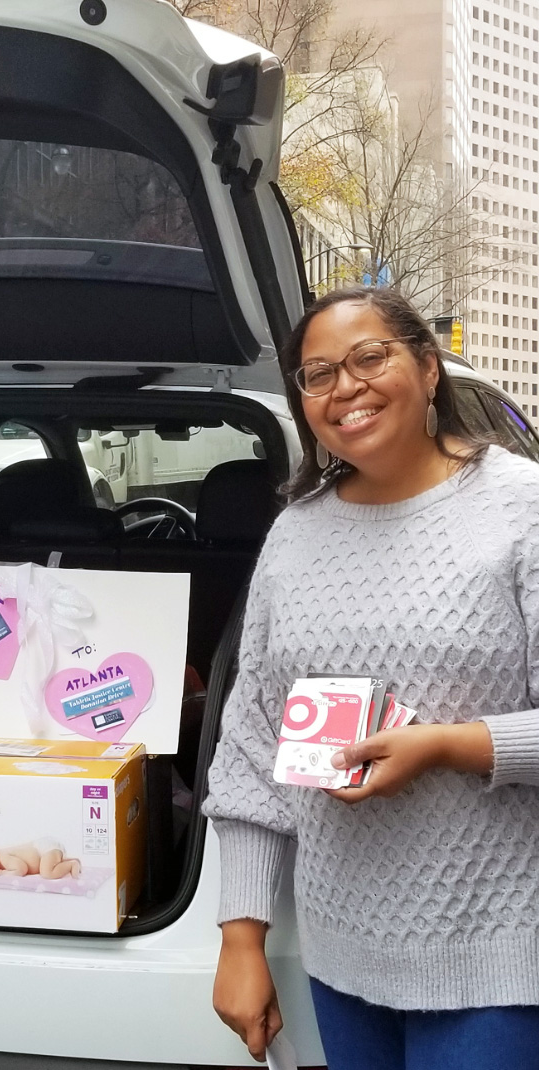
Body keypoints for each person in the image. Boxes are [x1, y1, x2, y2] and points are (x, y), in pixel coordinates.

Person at [202, 287, 539, 1070]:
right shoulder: (296, 533)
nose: (344, 388)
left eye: (369, 357)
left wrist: (449, 745)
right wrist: (241, 937)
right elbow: (253, 742)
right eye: (317, 374)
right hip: (341, 957)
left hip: (495, 954)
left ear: (427, 369)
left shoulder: (521, 508)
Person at [0, 837, 82, 878]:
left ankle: (71, 865)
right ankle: (66, 861)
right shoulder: (0, 858)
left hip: (43, 849)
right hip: (45, 852)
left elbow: (22, 869)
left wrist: (3, 874)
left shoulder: (3, 857)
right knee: (48, 865)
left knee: (47, 873)